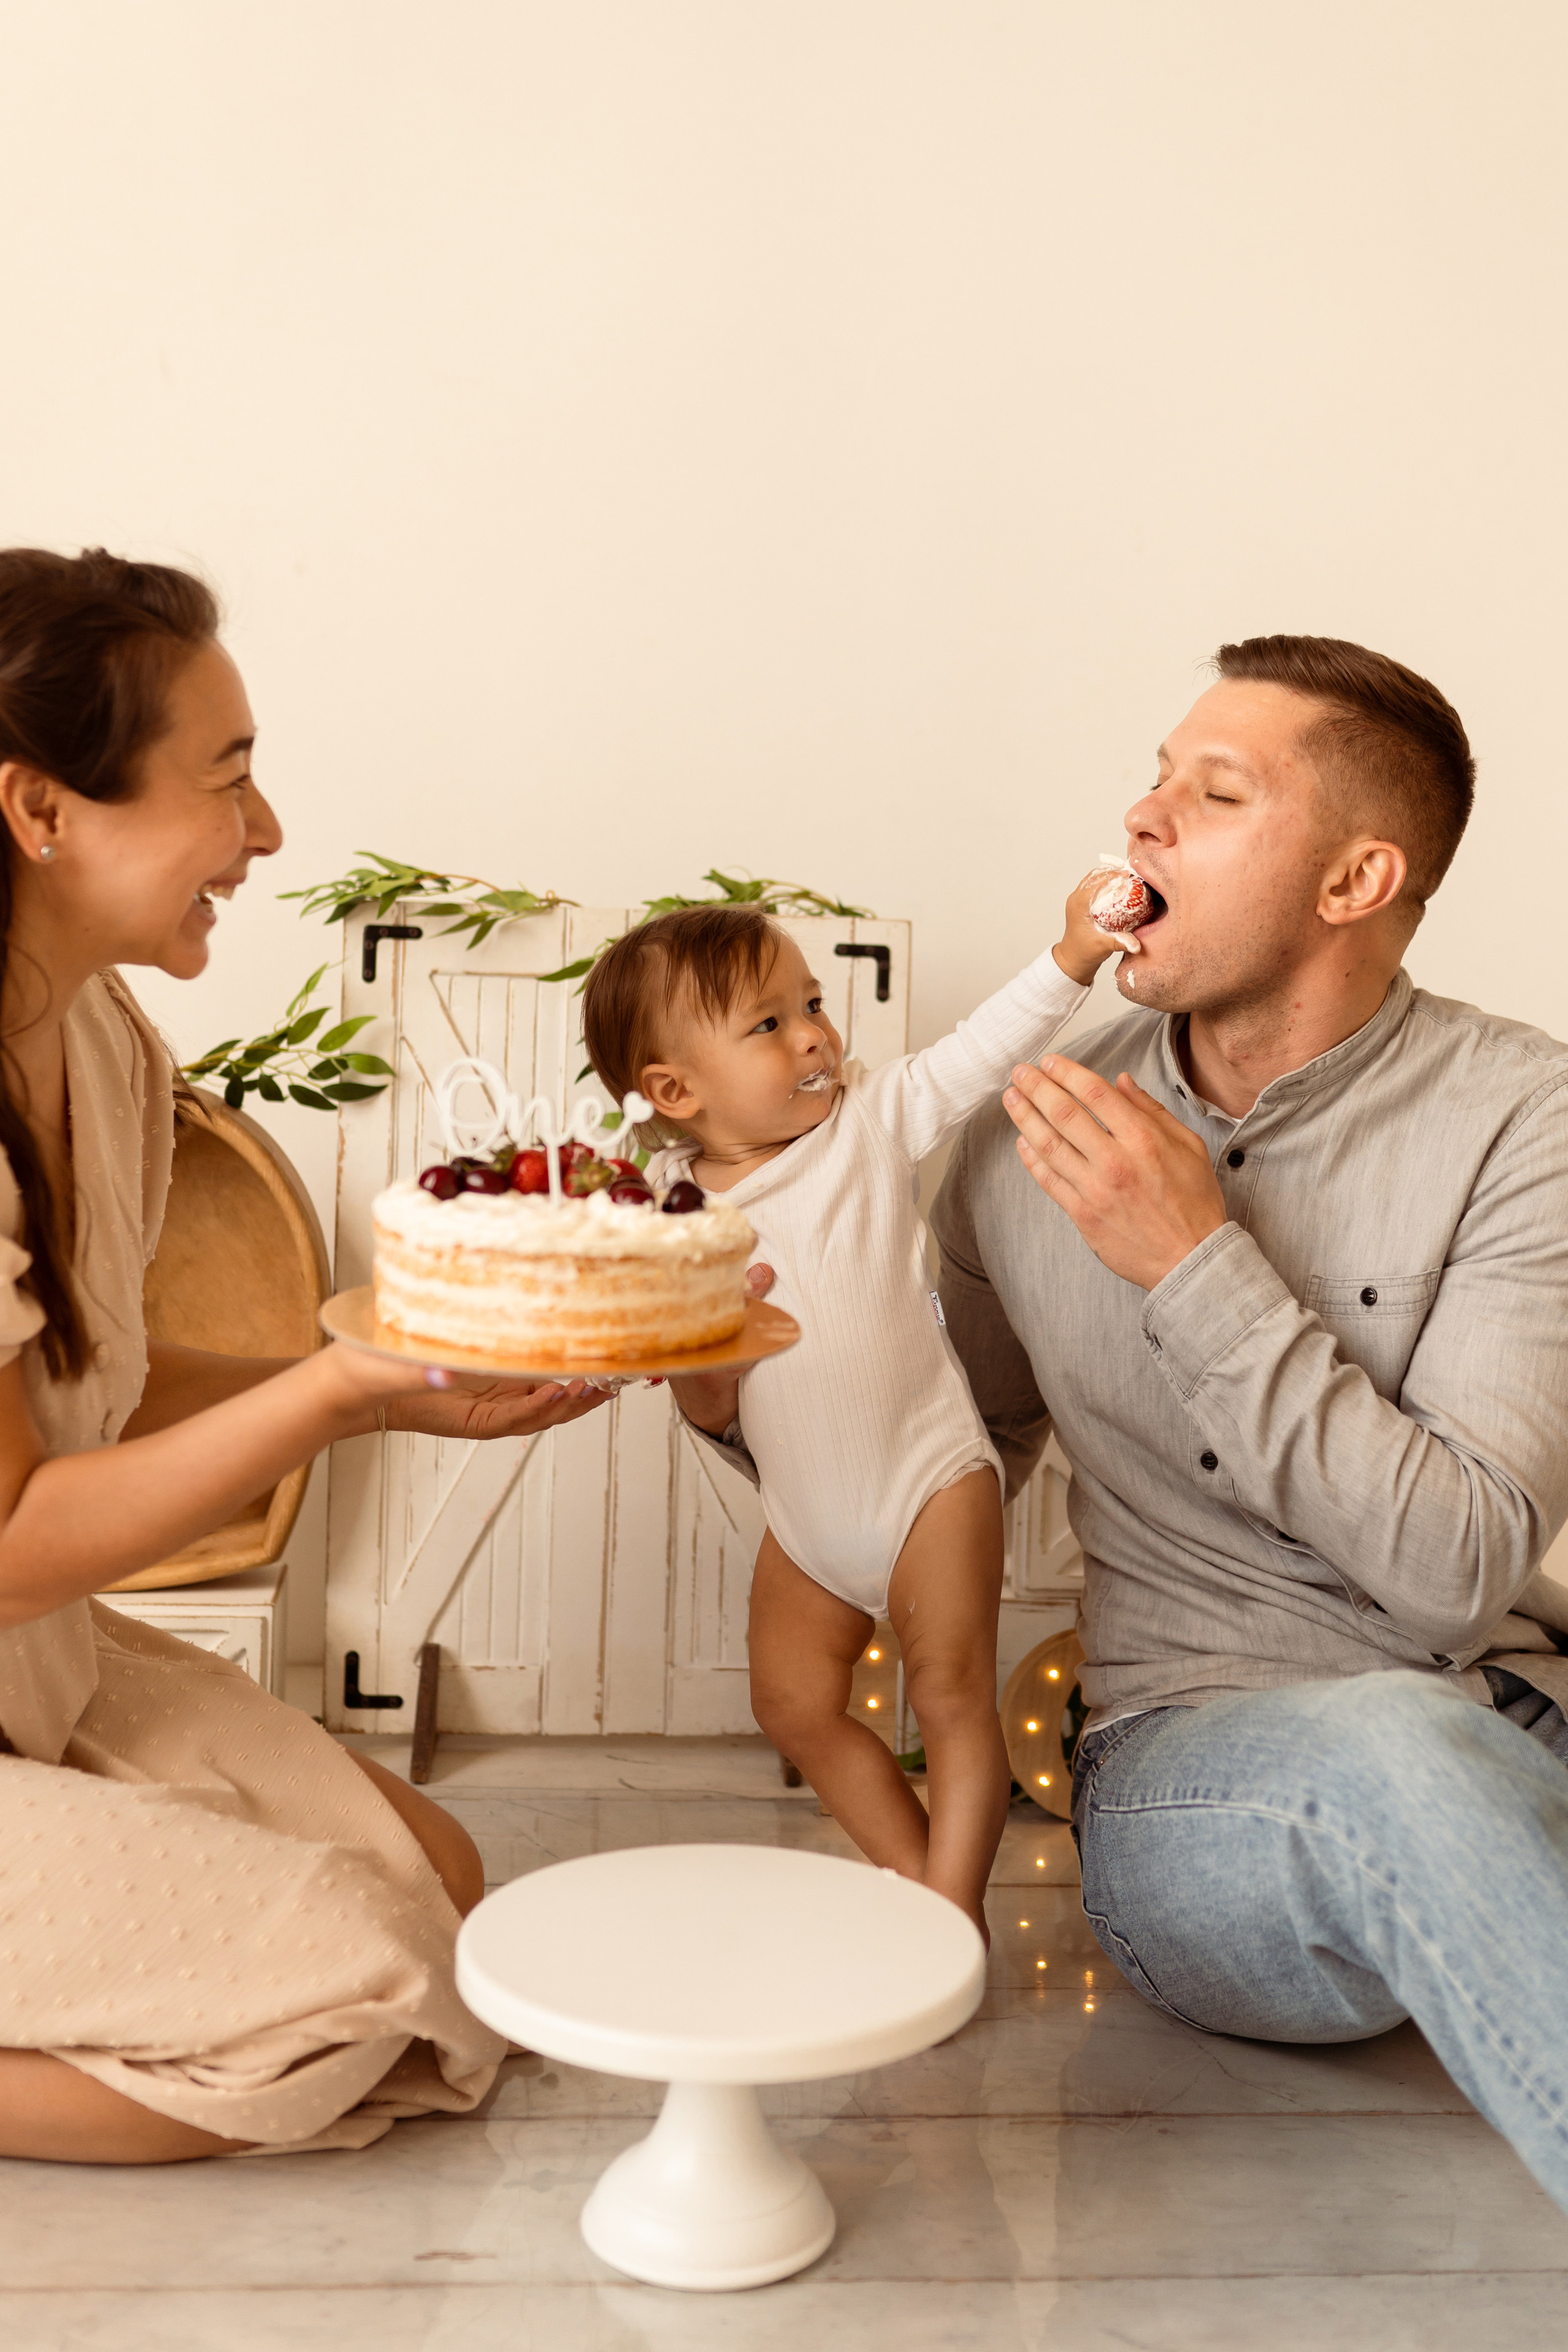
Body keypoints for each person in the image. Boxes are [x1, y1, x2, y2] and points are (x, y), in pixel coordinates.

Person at [930, 633, 1568, 2209]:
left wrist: (1190, 1263)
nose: (1141, 821)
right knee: (1394, 1753)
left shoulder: (1525, 1121)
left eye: (1210, 795)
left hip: (1514, 1709)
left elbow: (1456, 1568)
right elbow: (937, 1454)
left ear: (1354, 883)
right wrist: (727, 1385)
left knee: (1439, 1738)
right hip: (1192, 1780)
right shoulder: (1028, 1126)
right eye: (1151, 781)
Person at [0, 547, 610, 2165]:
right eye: (231, 779)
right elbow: (9, 1538)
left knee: (443, 1886)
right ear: (39, 809)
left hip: (40, 1679)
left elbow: (95, 1393)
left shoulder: (106, 1044)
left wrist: (398, 1386)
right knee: (374, 1976)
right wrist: (337, 1384)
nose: (266, 833)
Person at [581, 891, 1118, 1934]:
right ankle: (918, 1886)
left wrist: (1075, 951)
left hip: (930, 1481)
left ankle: (952, 1925)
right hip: (806, 1522)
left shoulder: (867, 1126)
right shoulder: (662, 1210)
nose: (818, 1034)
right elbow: (629, 1343)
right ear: (674, 1089)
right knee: (790, 1705)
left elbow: (979, 1050)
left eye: (812, 1003)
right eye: (771, 1024)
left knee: (954, 1695)